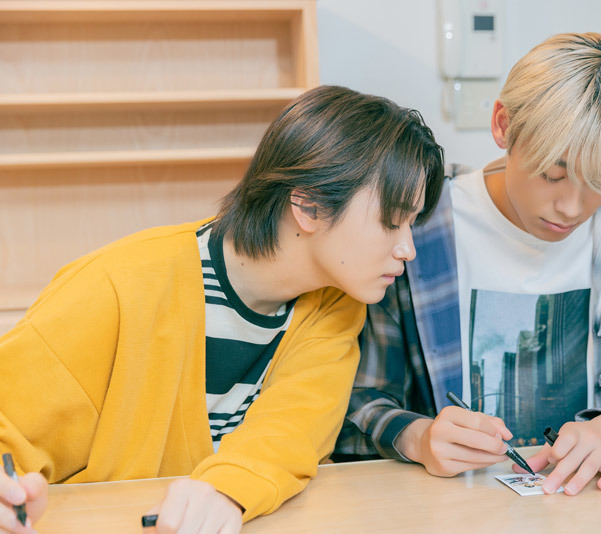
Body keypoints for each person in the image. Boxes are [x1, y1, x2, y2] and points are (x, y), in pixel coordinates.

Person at [0, 85, 445, 534]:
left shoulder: (335, 305)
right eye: (391, 222)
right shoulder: (117, 285)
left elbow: (294, 430)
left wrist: (227, 491)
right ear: (308, 205)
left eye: (412, 223)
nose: (407, 249)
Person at [335, 32, 601, 498]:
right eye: (554, 173)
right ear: (503, 125)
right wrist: (418, 437)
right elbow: (357, 400)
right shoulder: (419, 222)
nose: (571, 206)